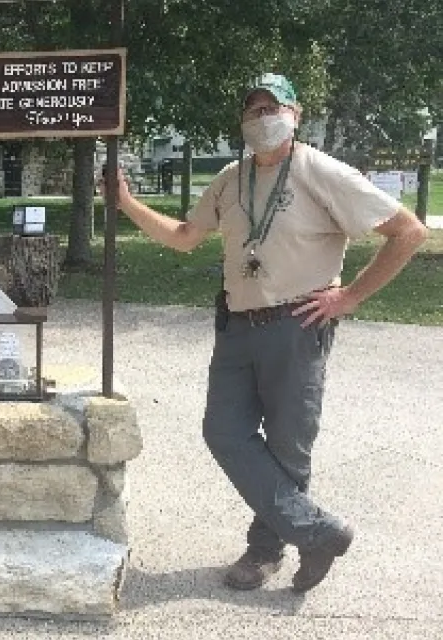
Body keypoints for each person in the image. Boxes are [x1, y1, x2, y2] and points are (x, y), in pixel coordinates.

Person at [112, 74, 427, 593]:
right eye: (253, 110)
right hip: (237, 324)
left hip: (295, 326)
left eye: (271, 109)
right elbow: (186, 237)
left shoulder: (320, 171)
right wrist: (126, 204)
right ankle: (319, 532)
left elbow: (408, 231)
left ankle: (264, 552)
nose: (262, 119)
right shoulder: (230, 179)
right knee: (223, 432)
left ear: (295, 115)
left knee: (287, 446)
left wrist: (350, 297)